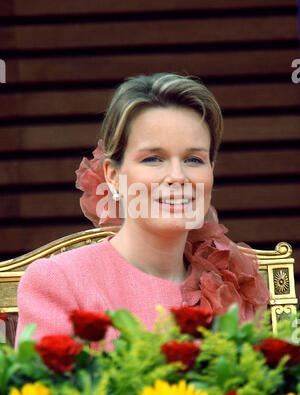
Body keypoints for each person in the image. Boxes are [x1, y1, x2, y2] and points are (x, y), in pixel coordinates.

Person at [15, 73, 270, 349]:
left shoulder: (231, 284)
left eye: (193, 159)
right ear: (113, 175)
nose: (177, 176)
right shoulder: (59, 281)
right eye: (153, 159)